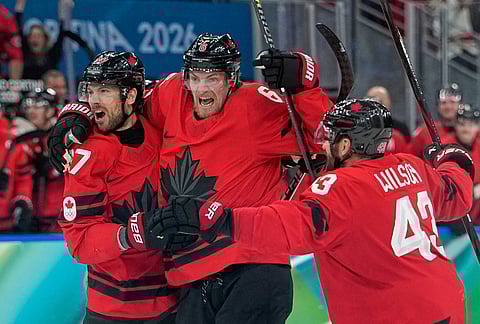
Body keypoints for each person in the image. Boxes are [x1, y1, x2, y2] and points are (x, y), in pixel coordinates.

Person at [48, 33, 332, 324]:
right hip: (191, 278)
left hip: (251, 265)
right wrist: (76, 112)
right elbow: (121, 101)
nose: (201, 88)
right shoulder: (170, 96)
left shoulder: (257, 105)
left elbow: (326, 139)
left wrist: (304, 82)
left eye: (212, 78)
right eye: (195, 77)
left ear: (231, 78)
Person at [151, 98, 474, 324]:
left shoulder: (341, 187)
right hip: (445, 302)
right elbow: (457, 195)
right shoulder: (412, 166)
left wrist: (219, 218)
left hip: (389, 314)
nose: (323, 144)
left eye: (331, 138)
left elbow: (287, 226)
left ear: (346, 145)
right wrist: (454, 158)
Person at [57, 51, 178, 323]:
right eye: (90, 91)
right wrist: (129, 235)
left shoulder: (162, 133)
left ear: (131, 96)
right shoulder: (87, 153)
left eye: (104, 91)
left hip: (171, 303)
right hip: (113, 311)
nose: (93, 100)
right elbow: (79, 241)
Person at [20, 87, 63, 232]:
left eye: (38, 105)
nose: (32, 110)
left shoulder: (63, 135)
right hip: (32, 215)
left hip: (60, 214)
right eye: (29, 105)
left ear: (50, 110)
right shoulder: (22, 139)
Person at [14, 0, 72, 79]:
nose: (34, 38)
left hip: (49, 90)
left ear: (45, 39)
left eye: (38, 36)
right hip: (26, 90)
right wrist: (19, 6)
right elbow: (16, 28)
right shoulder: (24, 53)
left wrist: (62, 12)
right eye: (31, 36)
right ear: (27, 40)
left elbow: (62, 34)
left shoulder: (53, 55)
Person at [409, 83, 462, 158]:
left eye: (452, 102)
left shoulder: (471, 133)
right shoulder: (425, 131)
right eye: (443, 103)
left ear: (460, 105)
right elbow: (409, 158)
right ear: (438, 106)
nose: (448, 106)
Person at [365, 85, 410, 153]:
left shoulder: (401, 129)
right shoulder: (361, 128)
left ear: (388, 102)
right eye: (370, 99)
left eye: (380, 100)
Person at [0, 4, 23, 79]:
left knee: (16, 59)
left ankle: (14, 88)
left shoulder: (3, 13)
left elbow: (12, 30)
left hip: (6, 40)